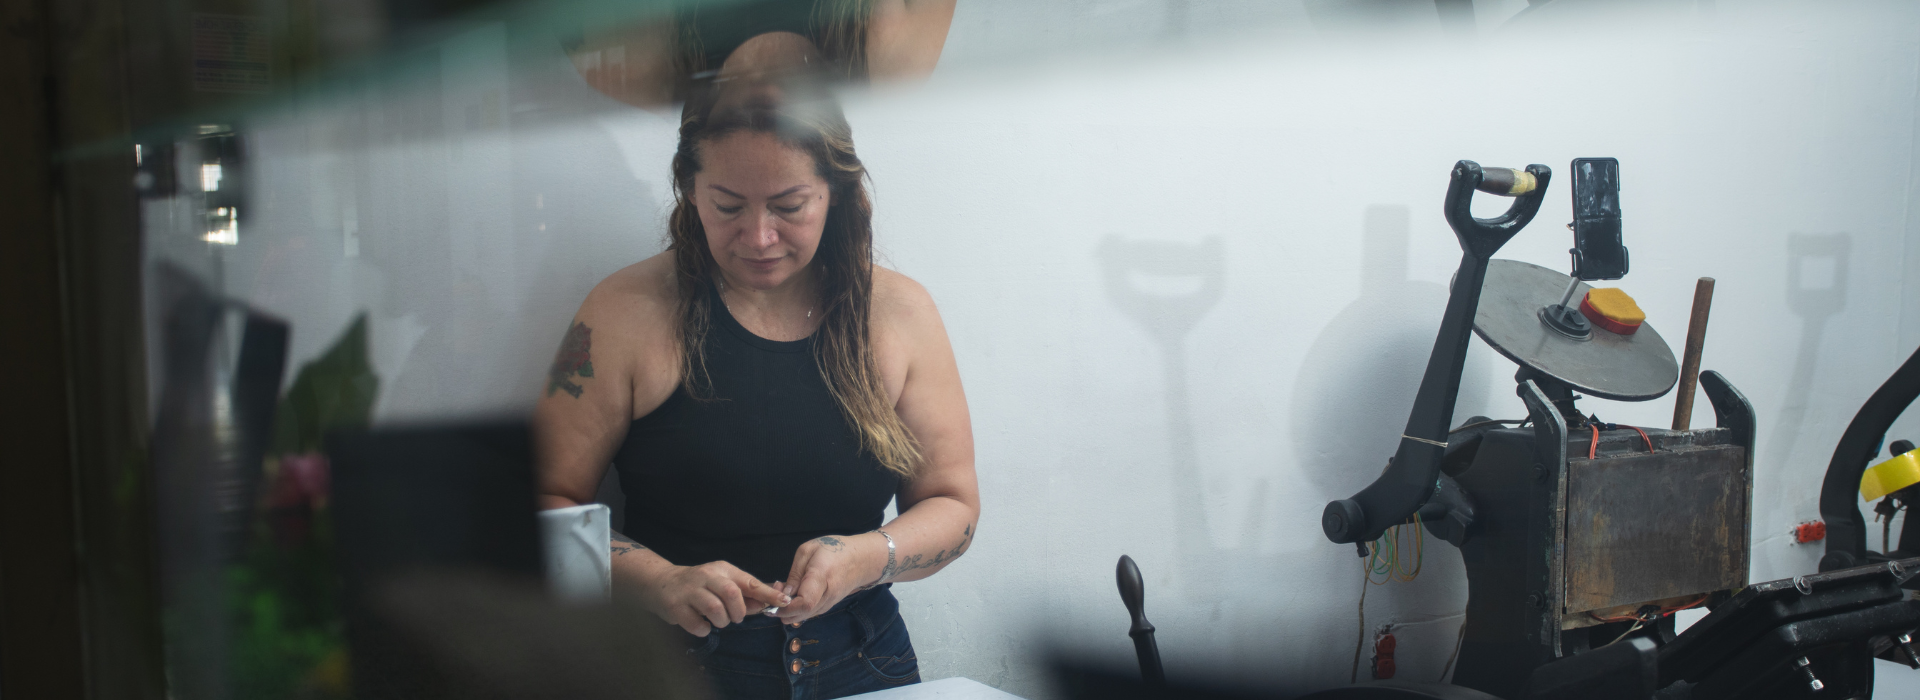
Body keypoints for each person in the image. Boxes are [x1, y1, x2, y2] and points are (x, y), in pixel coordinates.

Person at [531, 73, 978, 698]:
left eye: (789, 207)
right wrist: (660, 582)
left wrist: (865, 558)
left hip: (864, 658)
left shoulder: (899, 312)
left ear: (835, 192)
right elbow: (540, 502)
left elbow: (953, 505)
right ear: (690, 189)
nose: (759, 236)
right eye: (728, 206)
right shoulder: (623, 312)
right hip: (676, 666)